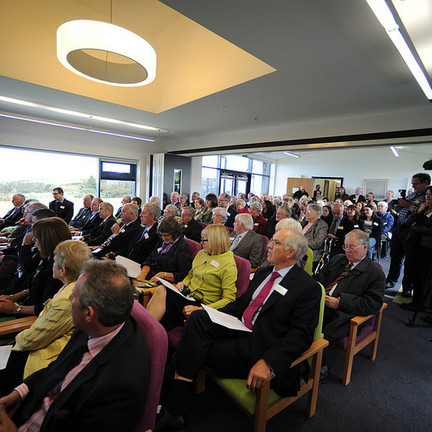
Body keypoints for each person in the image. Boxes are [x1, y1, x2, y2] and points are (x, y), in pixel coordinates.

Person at [155, 229, 321, 431]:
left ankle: (169, 408)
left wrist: (269, 362)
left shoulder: (307, 287)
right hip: (238, 326)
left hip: (260, 345)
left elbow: (301, 335)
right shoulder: (264, 273)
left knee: (189, 348)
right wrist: (210, 313)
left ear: (290, 252)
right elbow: (241, 304)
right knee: (198, 318)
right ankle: (170, 409)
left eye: (276, 243)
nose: (268, 245)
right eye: (271, 241)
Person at [0, 260, 149, 432]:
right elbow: (57, 368)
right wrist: (19, 393)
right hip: (29, 408)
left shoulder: (120, 387)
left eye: (75, 295)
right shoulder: (98, 325)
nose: (70, 298)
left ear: (89, 313)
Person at [0, 240, 92, 395]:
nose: (51, 265)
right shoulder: (70, 287)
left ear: (62, 270)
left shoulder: (67, 298)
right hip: (39, 343)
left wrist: (17, 339)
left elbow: (33, 339)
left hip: (43, 360)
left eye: (54, 262)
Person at [147, 225, 237, 330]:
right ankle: (147, 327)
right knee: (162, 289)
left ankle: (150, 330)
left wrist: (201, 309)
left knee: (166, 305)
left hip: (203, 305)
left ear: (215, 241)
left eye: (204, 240)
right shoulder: (202, 254)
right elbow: (190, 274)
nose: (201, 243)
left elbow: (229, 298)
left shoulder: (228, 265)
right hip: (188, 295)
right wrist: (183, 283)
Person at [315, 229, 384, 342]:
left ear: (365, 247)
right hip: (320, 302)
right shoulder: (337, 259)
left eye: (351, 247)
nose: (347, 251)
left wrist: (340, 303)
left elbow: (373, 304)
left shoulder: (375, 273)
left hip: (341, 313)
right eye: (345, 246)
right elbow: (319, 278)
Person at [0, 218, 71, 317]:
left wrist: (17, 309)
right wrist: (14, 297)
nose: (33, 240)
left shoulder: (58, 267)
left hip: (32, 314)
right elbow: (37, 286)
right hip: (25, 303)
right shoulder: (47, 257)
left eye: (36, 238)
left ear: (47, 240)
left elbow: (48, 307)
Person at [385, 173, 431, 295]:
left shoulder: (428, 197)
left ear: (426, 182)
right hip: (399, 228)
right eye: (412, 184)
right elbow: (402, 209)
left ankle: (406, 287)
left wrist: (409, 205)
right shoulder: (412, 195)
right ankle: (391, 280)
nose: (413, 186)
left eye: (416, 184)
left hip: (412, 231)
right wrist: (399, 205)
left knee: (409, 261)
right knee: (395, 256)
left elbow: (423, 211)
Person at [136, 217, 193, 283]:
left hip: (166, 282)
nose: (163, 238)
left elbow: (183, 275)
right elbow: (150, 259)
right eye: (161, 235)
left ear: (175, 233)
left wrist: (163, 275)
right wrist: (144, 273)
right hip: (152, 277)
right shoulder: (162, 243)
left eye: (166, 235)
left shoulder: (183, 248)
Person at [403, 185, 432, 311]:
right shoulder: (424, 207)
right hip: (414, 245)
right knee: (414, 273)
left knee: (422, 276)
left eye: (430, 194)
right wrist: (419, 210)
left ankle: (420, 303)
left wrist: (416, 227)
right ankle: (415, 301)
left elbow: (430, 230)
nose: (428, 196)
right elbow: (408, 222)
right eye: (426, 194)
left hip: (426, 248)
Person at [301, 204, 328, 269]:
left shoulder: (322, 225)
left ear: (317, 213)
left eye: (309, 211)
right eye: (306, 211)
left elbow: (317, 242)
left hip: (312, 252)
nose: (307, 213)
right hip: (298, 251)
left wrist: (301, 244)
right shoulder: (303, 223)